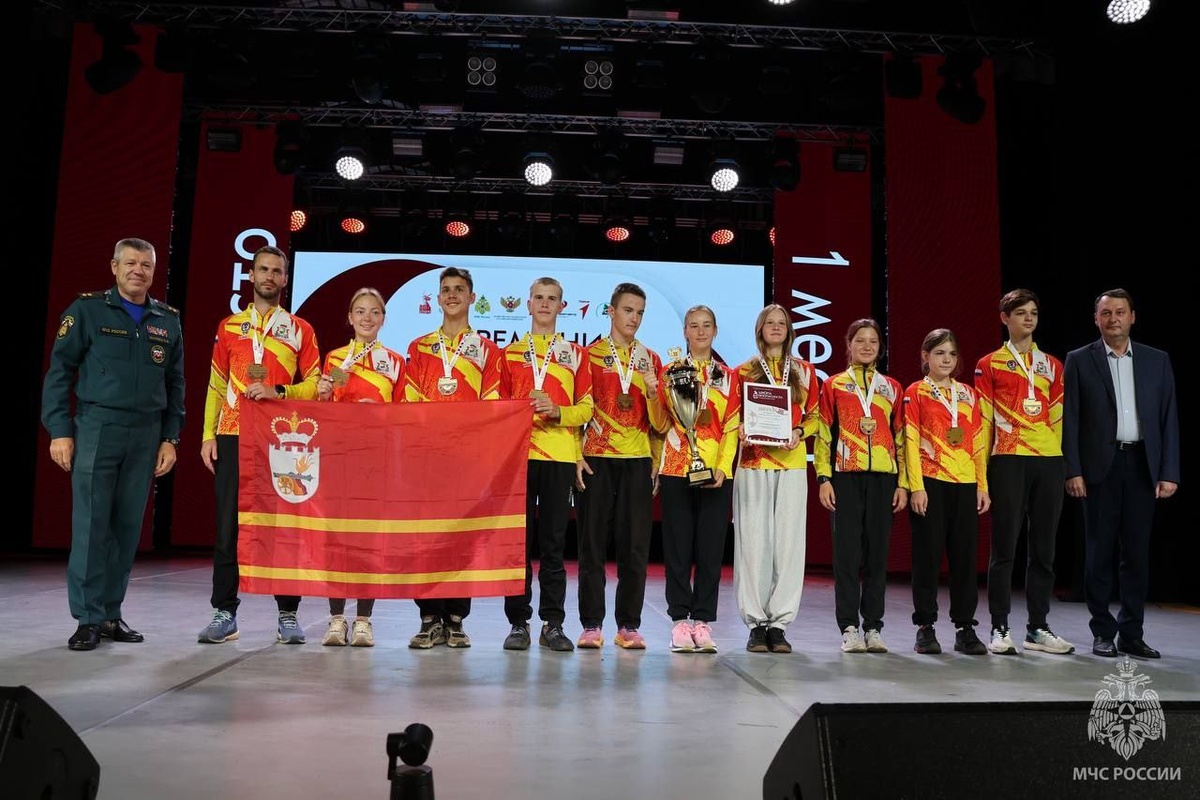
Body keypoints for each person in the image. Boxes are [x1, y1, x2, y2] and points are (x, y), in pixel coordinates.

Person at [41, 238, 185, 651]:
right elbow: (59, 372)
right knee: (91, 525)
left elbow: (175, 384)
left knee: (126, 528)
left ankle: (109, 613)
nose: (138, 270)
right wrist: (60, 430)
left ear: (154, 271)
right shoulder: (86, 310)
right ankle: (87, 618)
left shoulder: (167, 320)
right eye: (130, 263)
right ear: (114, 267)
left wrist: (170, 437)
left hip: (146, 433)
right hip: (98, 426)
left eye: (146, 265)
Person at [197, 245, 321, 644]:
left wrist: (278, 390)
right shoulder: (229, 327)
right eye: (263, 269)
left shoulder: (301, 329)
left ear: (285, 278)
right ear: (251, 276)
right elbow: (216, 384)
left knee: (285, 527)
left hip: (282, 437)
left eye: (276, 271)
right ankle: (224, 612)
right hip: (233, 433)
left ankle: (288, 613)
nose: (269, 276)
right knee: (228, 526)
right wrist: (207, 434)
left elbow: (315, 384)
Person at [1063, 288, 1179, 659]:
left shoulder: (1156, 360)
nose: (1113, 319)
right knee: (1098, 552)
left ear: (1132, 317)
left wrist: (1169, 471)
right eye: (1106, 313)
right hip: (1100, 468)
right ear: (1096, 319)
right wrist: (1073, 469)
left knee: (1137, 555)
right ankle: (1102, 631)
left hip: (1142, 465)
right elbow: (1070, 419)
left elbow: (1168, 418)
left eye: (1120, 312)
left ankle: (1132, 632)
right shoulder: (1079, 360)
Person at [404, 267, 503, 649]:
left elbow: (492, 405)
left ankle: (457, 618)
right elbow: (410, 402)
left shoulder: (487, 350)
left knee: (463, 538)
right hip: (429, 458)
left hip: (467, 459)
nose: (451, 295)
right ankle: (429, 618)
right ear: (438, 297)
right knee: (427, 538)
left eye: (459, 289)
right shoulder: (419, 347)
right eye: (445, 289)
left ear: (471, 297)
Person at [975, 289, 1074, 656]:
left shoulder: (1053, 365)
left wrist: (1058, 460)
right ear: (1005, 318)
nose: (1028, 318)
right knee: (1004, 548)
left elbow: (1058, 418)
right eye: (1020, 313)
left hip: (1048, 460)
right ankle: (999, 626)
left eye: (1033, 312)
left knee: (1044, 549)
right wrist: (982, 475)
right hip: (1008, 457)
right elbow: (983, 421)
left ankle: (1038, 627)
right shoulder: (989, 364)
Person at [499, 277, 593, 652]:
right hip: (518, 457)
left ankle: (553, 623)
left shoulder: (576, 354)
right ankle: (518, 623)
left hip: (559, 456)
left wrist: (557, 411)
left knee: (554, 546)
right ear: (528, 303)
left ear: (561, 306)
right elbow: (497, 407)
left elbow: (587, 408)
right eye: (538, 297)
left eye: (552, 299)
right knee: (518, 545)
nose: (544, 304)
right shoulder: (509, 353)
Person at [574, 283, 668, 650]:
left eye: (640, 312)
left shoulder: (651, 359)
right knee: (591, 546)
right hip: (596, 458)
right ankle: (591, 624)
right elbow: (579, 411)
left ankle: (629, 624)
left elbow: (660, 424)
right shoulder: (589, 357)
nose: (634, 318)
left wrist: (651, 392)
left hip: (637, 462)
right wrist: (576, 455)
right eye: (628, 310)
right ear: (611, 312)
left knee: (635, 548)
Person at [315, 287, 406, 647]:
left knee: (369, 540)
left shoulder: (395, 362)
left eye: (375, 312)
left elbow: (404, 415)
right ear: (350, 318)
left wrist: (379, 413)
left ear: (383, 319)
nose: (367, 318)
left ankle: (364, 620)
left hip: (375, 461)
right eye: (361, 311)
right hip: (339, 459)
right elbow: (324, 413)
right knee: (336, 539)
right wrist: (323, 396)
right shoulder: (334, 358)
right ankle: (337, 619)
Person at [814, 319, 907, 655]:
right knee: (847, 557)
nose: (867, 346)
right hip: (845, 476)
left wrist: (903, 483)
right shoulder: (834, 385)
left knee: (878, 556)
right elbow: (824, 433)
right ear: (849, 345)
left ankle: (873, 627)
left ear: (880, 347)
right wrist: (824, 477)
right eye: (860, 340)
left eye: (873, 341)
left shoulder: (892, 388)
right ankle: (849, 628)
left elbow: (901, 437)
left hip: (884, 479)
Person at [733, 304, 820, 654]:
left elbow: (815, 416)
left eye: (781, 322)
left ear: (789, 330)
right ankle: (756, 624)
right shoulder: (742, 371)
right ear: (759, 329)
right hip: (753, 463)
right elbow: (731, 416)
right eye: (769, 322)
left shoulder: (805, 371)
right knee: (753, 545)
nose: (775, 327)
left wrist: (799, 431)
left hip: (792, 464)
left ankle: (779, 624)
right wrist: (740, 428)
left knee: (788, 546)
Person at [657, 305, 741, 654]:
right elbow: (660, 422)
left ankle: (703, 621)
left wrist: (723, 466)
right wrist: (651, 391)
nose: (701, 331)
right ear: (685, 332)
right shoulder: (669, 372)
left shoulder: (728, 376)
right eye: (694, 326)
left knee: (710, 550)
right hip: (677, 468)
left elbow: (733, 425)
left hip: (715, 473)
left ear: (715, 331)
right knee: (677, 548)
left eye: (707, 325)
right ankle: (679, 621)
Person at [903, 328, 991, 656]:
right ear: (926, 356)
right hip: (930, 481)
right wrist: (916, 486)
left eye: (952, 354)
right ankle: (925, 627)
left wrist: (982, 485)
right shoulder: (916, 392)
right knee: (927, 557)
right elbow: (910, 441)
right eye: (939, 353)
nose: (946, 359)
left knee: (965, 559)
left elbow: (978, 442)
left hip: (965, 484)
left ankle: (965, 627)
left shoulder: (968, 394)